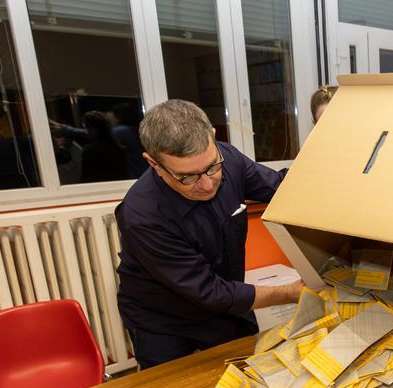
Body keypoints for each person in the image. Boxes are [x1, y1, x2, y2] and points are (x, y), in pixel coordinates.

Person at [115, 99, 302, 369]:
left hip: (224, 302)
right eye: (187, 177)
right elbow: (209, 292)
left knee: (247, 375)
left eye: (212, 167)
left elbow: (281, 190)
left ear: (213, 137)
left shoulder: (229, 157)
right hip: (163, 320)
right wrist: (291, 292)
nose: (207, 184)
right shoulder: (142, 215)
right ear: (153, 162)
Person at [80, 111, 129, 183]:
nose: (86, 132)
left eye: (85, 128)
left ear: (92, 129)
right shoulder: (117, 146)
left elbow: (86, 178)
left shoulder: (90, 150)